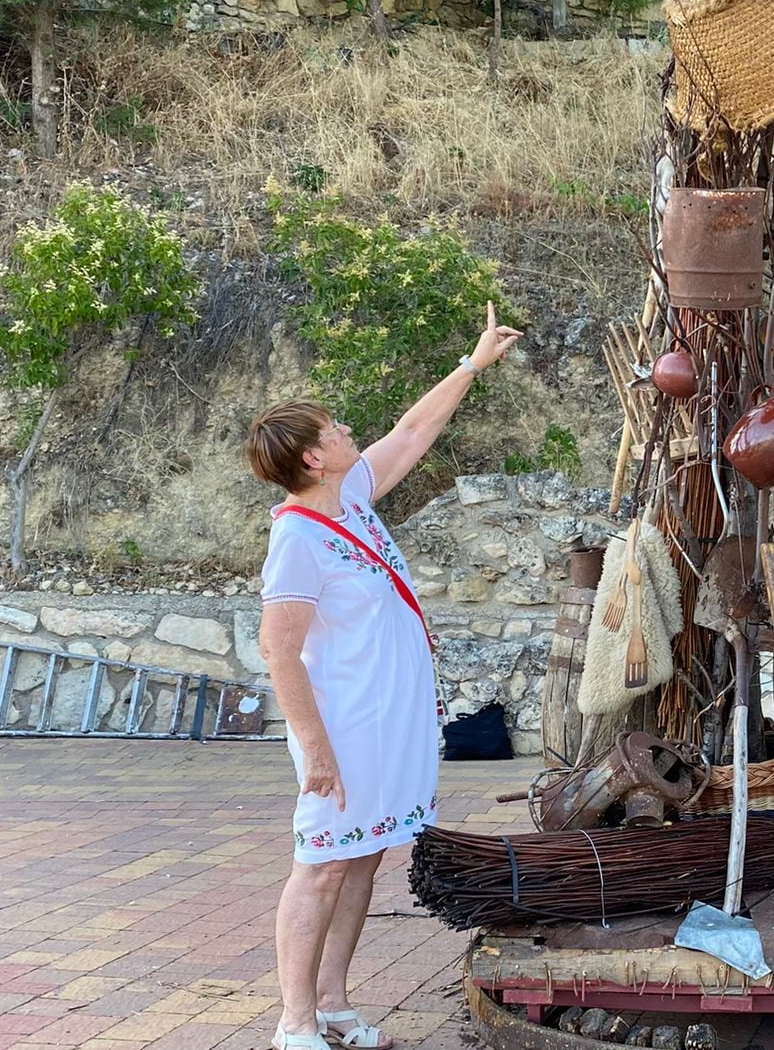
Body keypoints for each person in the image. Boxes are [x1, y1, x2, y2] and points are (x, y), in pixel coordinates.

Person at [246, 304, 523, 1050]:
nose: (346, 434)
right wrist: (317, 750)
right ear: (311, 458)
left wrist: (471, 365)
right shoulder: (298, 539)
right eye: (333, 431)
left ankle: (334, 1003)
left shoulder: (355, 503)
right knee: (321, 869)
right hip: (342, 730)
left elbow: (411, 431)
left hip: (386, 725)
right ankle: (294, 1022)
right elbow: (279, 650)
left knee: (362, 856)